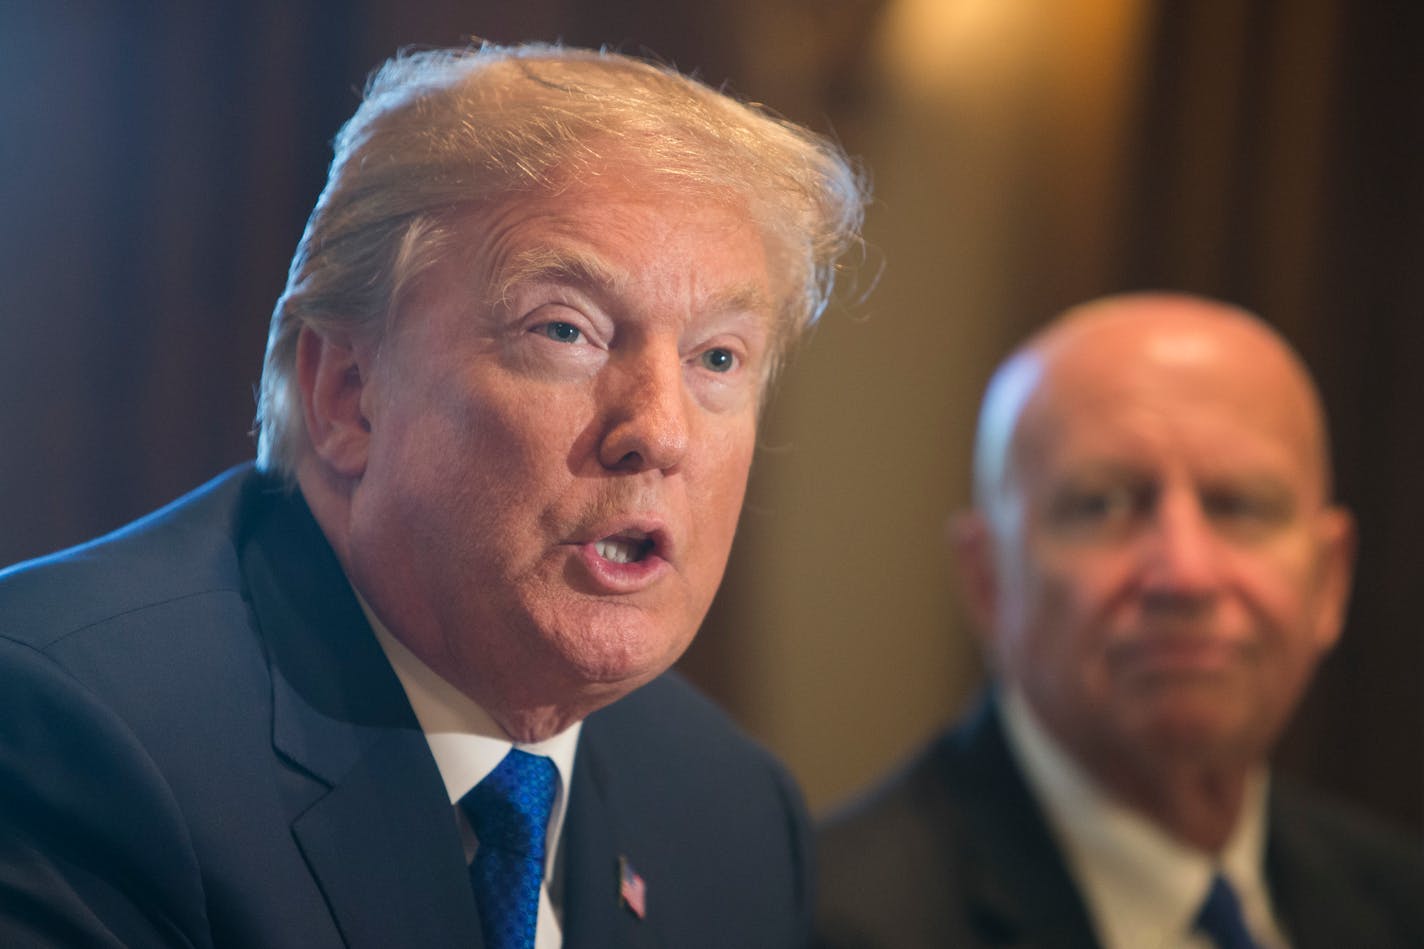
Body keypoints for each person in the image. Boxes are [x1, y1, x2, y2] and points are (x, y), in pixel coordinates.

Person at [0, 43, 865, 948]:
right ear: (348, 393)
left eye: (717, 358)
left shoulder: (734, 816)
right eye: (566, 329)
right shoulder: (78, 735)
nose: (660, 429)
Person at [815, 293, 1424, 949]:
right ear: (988, 579)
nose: (1186, 575)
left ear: (1329, 579)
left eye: (1240, 506)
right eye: (1105, 504)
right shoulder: (826, 921)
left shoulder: (1397, 898)